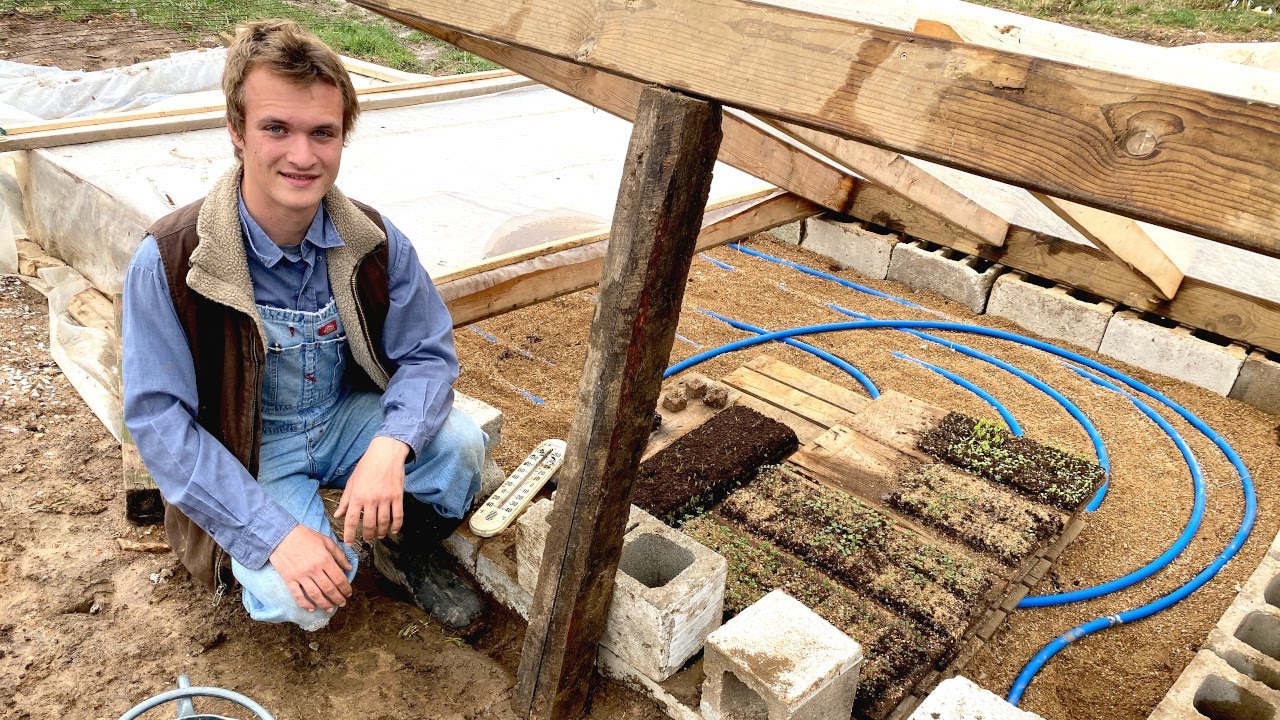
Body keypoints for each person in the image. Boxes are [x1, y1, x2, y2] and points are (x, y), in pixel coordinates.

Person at [122, 19, 487, 631]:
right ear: (237, 132)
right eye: (276, 129)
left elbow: (427, 354)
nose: (302, 155)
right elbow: (161, 425)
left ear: (344, 138)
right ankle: (279, 552)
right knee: (301, 599)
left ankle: (401, 550)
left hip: (340, 417)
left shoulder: (369, 241)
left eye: (323, 132)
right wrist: (272, 535)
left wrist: (389, 448)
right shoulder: (172, 259)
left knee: (459, 449)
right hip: (249, 451)